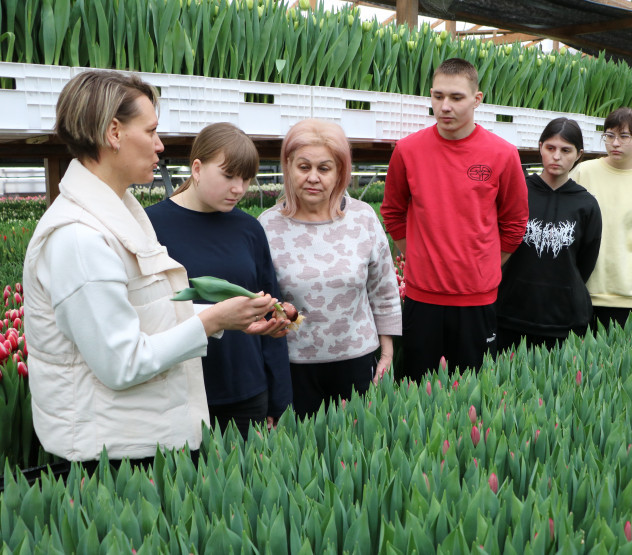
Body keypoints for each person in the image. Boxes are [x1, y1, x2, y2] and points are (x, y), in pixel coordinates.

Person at [22, 71, 277, 464]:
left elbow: (147, 315)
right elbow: (122, 363)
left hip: (138, 438)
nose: (160, 145)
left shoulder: (117, 213)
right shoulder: (80, 237)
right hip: (115, 456)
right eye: (151, 130)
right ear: (114, 132)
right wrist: (211, 321)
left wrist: (228, 316)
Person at [381, 57, 528, 381]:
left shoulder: (503, 154)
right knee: (418, 392)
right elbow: (392, 212)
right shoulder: (407, 150)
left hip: (477, 300)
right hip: (421, 298)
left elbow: (515, 223)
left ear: (477, 99)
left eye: (456, 97)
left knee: (472, 395)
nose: (445, 106)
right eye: (438, 96)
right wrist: (417, 255)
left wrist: (485, 264)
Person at [146, 123, 292, 440]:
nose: (239, 188)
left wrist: (279, 396)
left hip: (246, 390)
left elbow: (272, 309)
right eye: (229, 176)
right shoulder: (150, 226)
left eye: (246, 179)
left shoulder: (249, 229)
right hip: (177, 392)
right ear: (197, 169)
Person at [259, 119, 401, 419]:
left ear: (340, 172)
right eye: (304, 167)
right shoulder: (268, 225)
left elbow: (384, 289)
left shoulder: (362, 218)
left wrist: (387, 352)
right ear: (288, 166)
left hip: (356, 360)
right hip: (294, 366)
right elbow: (260, 302)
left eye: (324, 168)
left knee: (356, 441)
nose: (313, 177)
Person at [496, 118, 602, 352]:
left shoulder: (586, 205)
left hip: (564, 320)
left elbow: (586, 262)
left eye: (566, 150)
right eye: (550, 148)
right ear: (540, 147)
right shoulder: (517, 191)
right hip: (509, 313)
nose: (556, 156)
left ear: (579, 154)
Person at [570, 107, 632, 329]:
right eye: (610, 135)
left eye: (624, 136)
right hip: (579, 292)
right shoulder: (583, 172)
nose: (615, 143)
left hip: (628, 299)